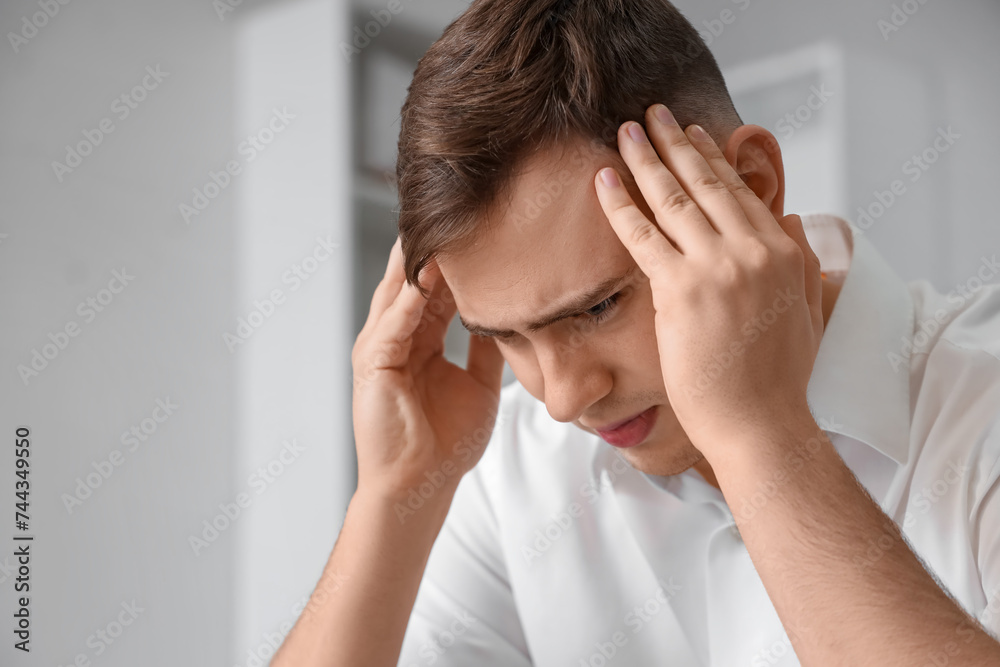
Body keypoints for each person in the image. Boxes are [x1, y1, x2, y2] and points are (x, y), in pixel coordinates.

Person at [273, 0, 1000, 664]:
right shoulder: (516, 469)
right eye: (506, 336)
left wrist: (761, 436)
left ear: (751, 185)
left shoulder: (982, 404)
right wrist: (396, 496)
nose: (562, 398)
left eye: (596, 308)